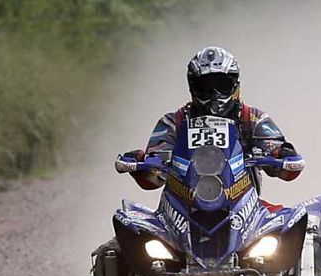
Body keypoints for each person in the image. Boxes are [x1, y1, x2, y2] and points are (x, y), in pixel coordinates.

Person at [124, 45, 302, 196]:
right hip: (181, 210)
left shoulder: (252, 119)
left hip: (244, 210)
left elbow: (281, 158)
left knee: (299, 228)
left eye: (221, 85)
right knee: (128, 227)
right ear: (192, 86)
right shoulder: (174, 122)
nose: (214, 94)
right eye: (205, 86)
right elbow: (154, 175)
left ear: (234, 84)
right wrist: (142, 163)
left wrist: (281, 153)